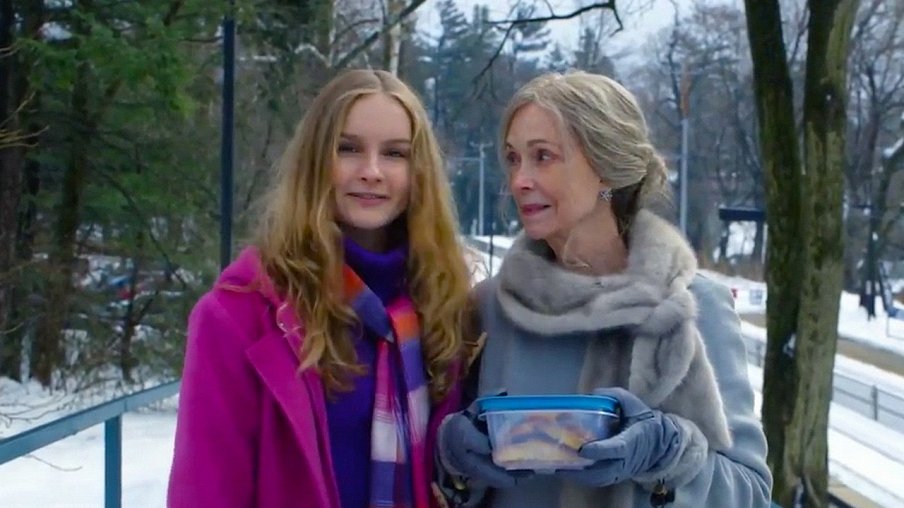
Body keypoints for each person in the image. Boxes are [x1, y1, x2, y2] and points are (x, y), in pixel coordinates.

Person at [436, 71, 773, 507]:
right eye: (513, 158)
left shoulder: (691, 306)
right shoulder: (489, 308)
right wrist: (453, 461)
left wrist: (668, 455)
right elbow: (449, 488)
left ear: (606, 169)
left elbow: (750, 492)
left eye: (543, 156)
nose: (519, 180)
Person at [168, 69, 475, 508]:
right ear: (315, 162)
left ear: (419, 172)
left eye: (394, 154)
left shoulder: (444, 305)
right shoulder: (238, 316)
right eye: (348, 148)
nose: (371, 171)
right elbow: (207, 492)